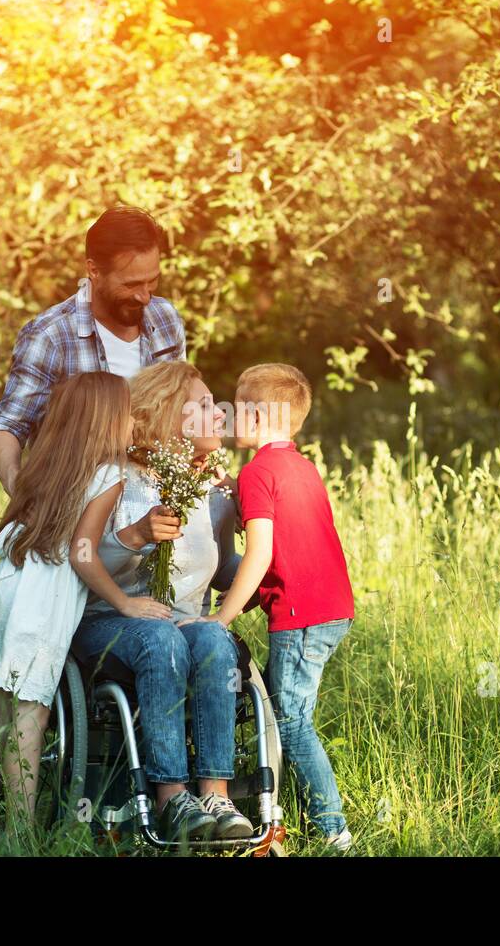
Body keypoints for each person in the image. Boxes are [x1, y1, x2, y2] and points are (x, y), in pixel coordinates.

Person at [0, 372, 173, 845]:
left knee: (1, 716)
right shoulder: (109, 474)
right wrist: (126, 603)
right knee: (31, 718)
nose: (131, 421)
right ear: (107, 419)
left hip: (10, 589)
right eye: (125, 412)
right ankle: (19, 836)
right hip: (45, 602)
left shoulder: (47, 463)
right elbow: (83, 553)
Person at [71, 360, 255, 841]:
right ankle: (172, 798)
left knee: (214, 635)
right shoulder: (116, 476)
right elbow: (82, 560)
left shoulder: (215, 490)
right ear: (168, 414)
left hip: (182, 626)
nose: (220, 415)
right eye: (204, 406)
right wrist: (133, 536)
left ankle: (216, 794)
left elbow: (223, 571)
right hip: (109, 622)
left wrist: (272, 573)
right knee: (159, 637)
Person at [183, 363, 355, 850]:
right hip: (331, 608)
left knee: (292, 722)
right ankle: (294, 809)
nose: (226, 416)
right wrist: (231, 488)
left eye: (234, 409)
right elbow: (289, 545)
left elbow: (259, 554)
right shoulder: (299, 467)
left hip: (302, 616)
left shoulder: (258, 473)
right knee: (293, 715)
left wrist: (222, 617)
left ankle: (333, 830)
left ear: (255, 417)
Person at [0, 205, 186, 497]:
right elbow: (8, 424)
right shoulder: (50, 336)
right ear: (93, 270)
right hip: (76, 513)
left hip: (154, 512)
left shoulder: (166, 319)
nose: (144, 296)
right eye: (131, 284)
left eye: (152, 281)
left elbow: (177, 413)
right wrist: (20, 493)